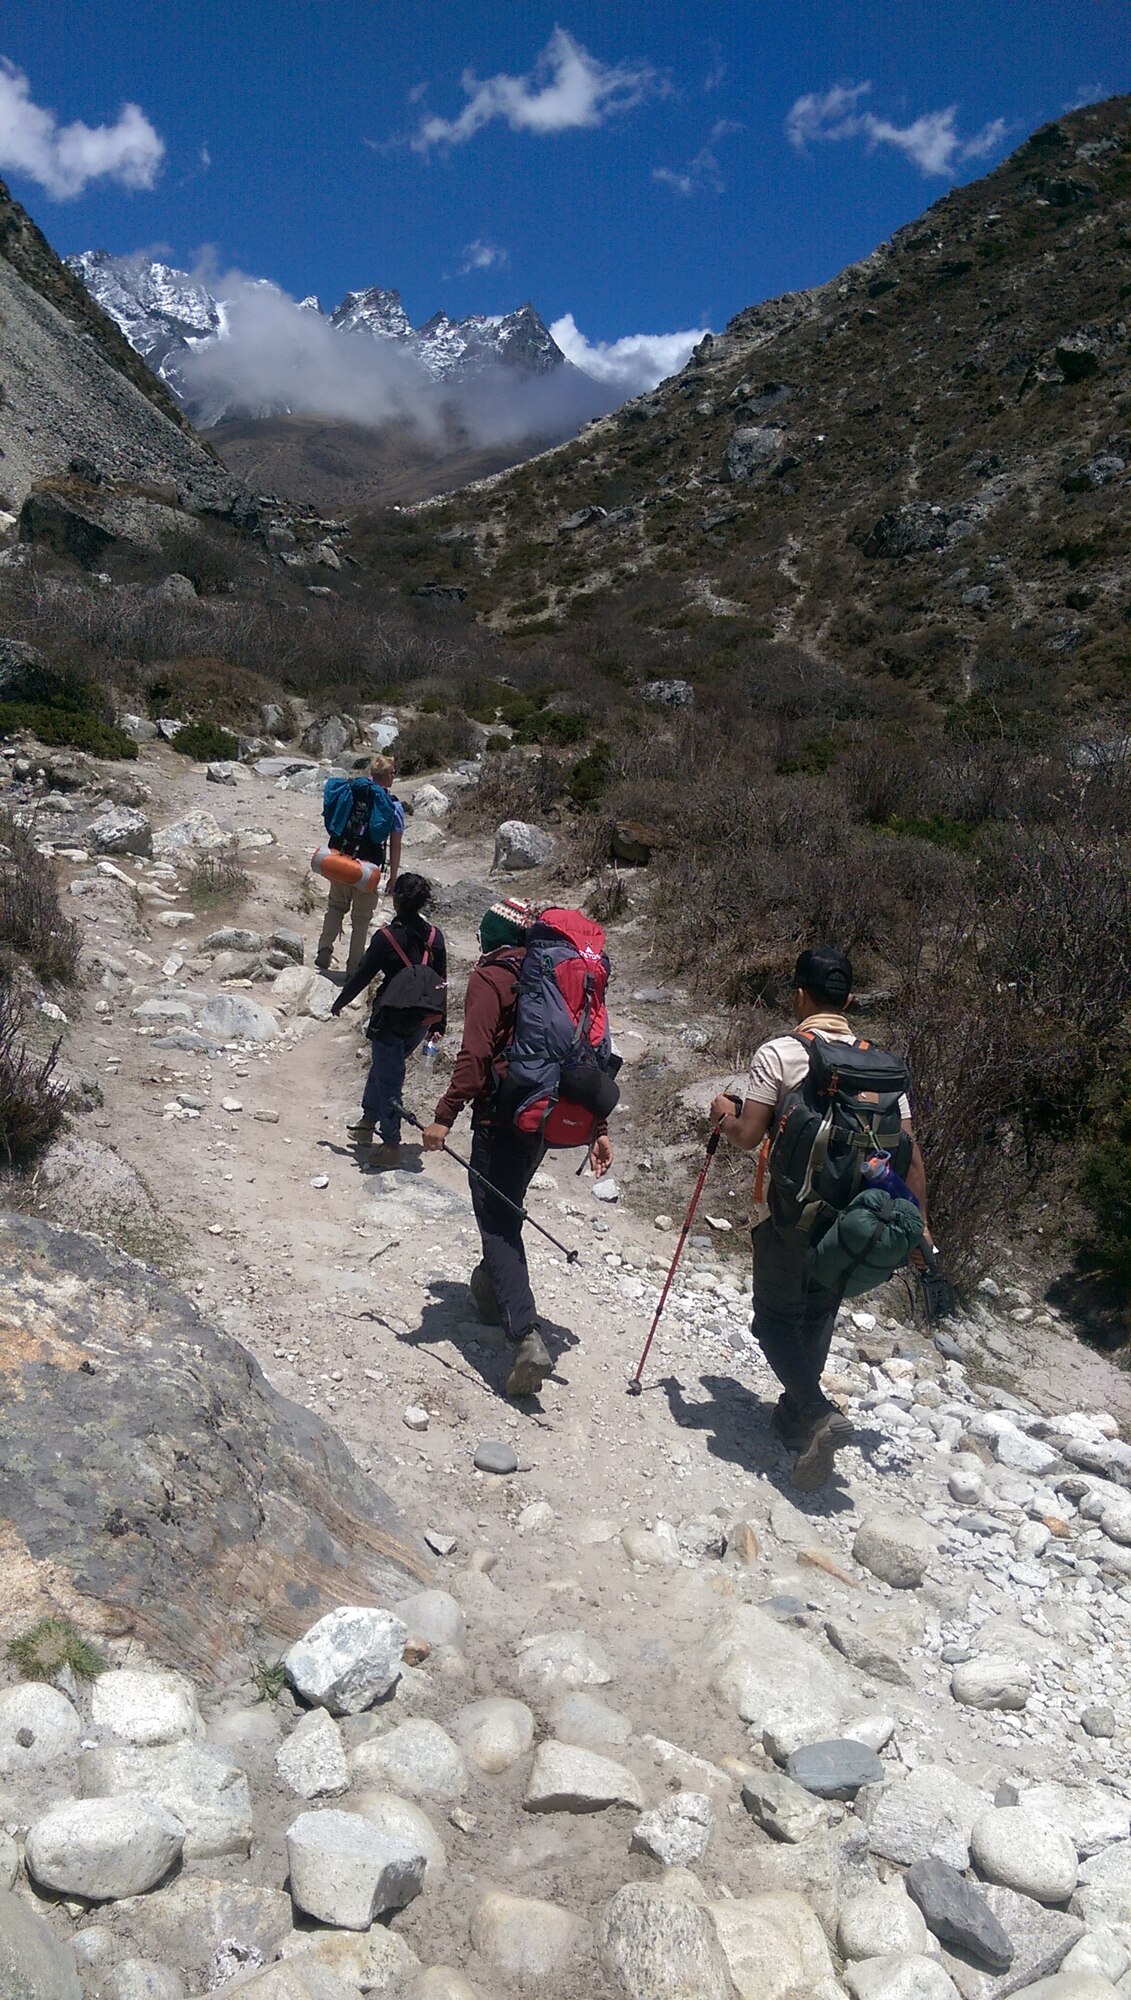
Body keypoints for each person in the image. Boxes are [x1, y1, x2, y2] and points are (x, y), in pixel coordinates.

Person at [711, 945, 929, 1491]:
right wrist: (918, 1224)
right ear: (849, 999)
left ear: (799, 995)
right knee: (817, 1311)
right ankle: (793, 1417)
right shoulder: (885, 1065)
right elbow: (911, 1151)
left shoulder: (780, 1054)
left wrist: (722, 1114)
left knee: (771, 1320)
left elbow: (749, 1135)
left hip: (793, 1213)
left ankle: (815, 1409)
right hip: (860, 1215)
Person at [422, 900, 614, 1399]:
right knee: (507, 1203)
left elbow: (475, 1056)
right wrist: (599, 1129)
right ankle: (490, 1291)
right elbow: (590, 1055)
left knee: (497, 1218)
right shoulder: (555, 979)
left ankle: (525, 1335)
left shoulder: (491, 977)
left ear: (489, 933)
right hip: (547, 1113)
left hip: (500, 1116)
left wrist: (444, 1117)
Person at [329, 873, 446, 1163]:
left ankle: (391, 1143)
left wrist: (339, 1002)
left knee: (389, 1080)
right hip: (421, 1021)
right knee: (384, 1068)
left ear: (396, 901)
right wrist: (440, 1023)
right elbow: (441, 982)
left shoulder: (386, 937)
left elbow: (362, 975)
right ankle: (368, 1123)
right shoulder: (435, 937)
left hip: (390, 1018)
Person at [315, 755, 404, 976]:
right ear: (387, 776)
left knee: (335, 907)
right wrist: (393, 875)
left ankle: (324, 950)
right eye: (393, 773)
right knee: (361, 919)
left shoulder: (351, 790)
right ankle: (353, 969)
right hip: (367, 869)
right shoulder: (392, 804)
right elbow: (395, 845)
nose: (394, 776)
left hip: (340, 860)